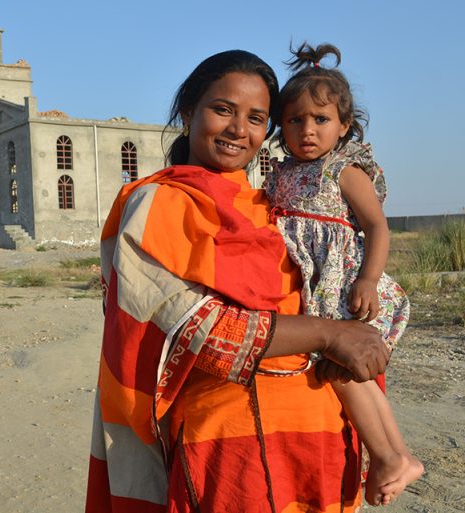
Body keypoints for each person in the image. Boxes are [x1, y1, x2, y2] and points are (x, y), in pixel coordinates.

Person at [86, 50, 390, 513]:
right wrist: (330, 333)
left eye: (256, 118)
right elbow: (202, 332)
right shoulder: (156, 204)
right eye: (223, 109)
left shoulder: (273, 210)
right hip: (229, 454)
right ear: (189, 112)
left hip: (321, 442)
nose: (238, 129)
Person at [265, 42, 423, 506]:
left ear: (344, 126)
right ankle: (396, 455)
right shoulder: (281, 171)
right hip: (310, 285)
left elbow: (376, 226)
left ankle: (389, 455)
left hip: (341, 283)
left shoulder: (342, 169)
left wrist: (369, 280)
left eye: (320, 120)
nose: (307, 130)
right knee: (347, 372)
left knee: (341, 369)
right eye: (294, 120)